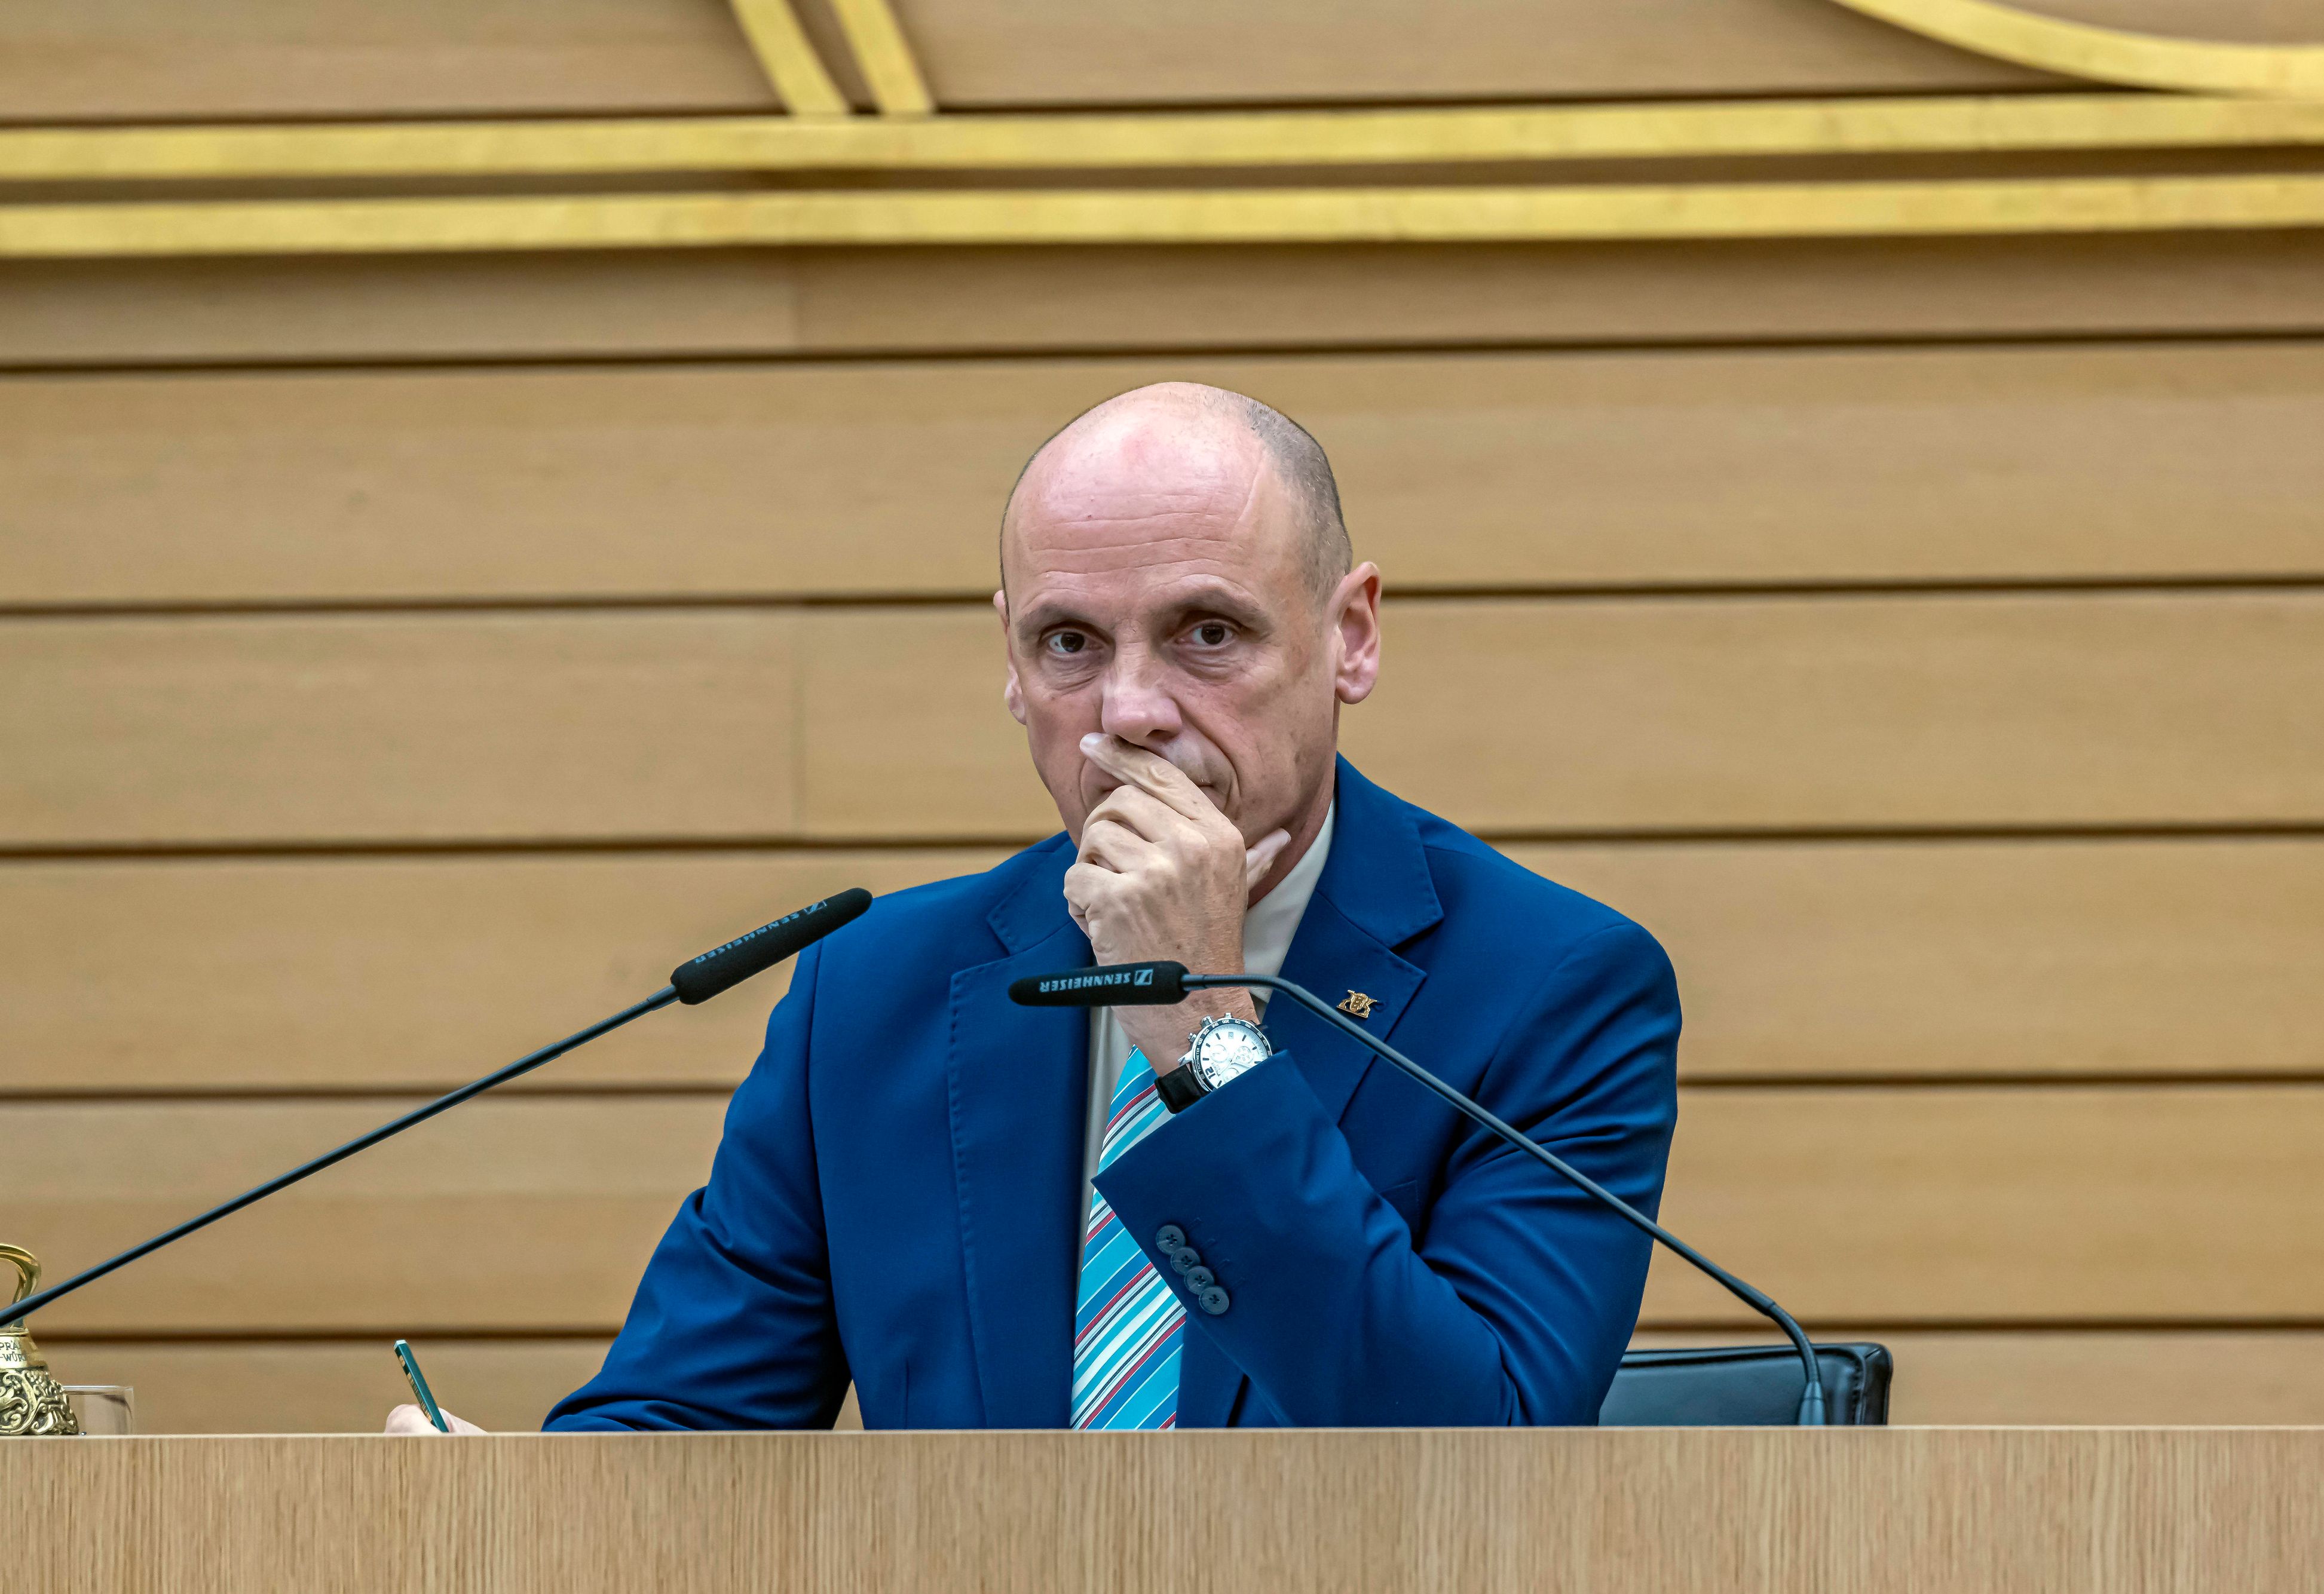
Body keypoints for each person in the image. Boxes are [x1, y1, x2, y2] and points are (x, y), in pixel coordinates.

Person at [389, 381, 1677, 1434]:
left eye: (1205, 634)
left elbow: (1474, 1454)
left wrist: (1205, 1026)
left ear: (1349, 636)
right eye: (1069, 643)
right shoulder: (872, 987)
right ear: (1010, 664)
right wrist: (514, 1514)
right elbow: (686, 1424)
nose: (1127, 710)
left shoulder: (1551, 983)